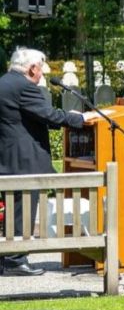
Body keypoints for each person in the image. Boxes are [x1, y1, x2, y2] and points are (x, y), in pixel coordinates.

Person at [0, 47, 94, 276]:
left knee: (14, 209)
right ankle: (14, 260)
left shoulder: (5, 82)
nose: (42, 74)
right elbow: (49, 115)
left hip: (9, 156)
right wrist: (80, 118)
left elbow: (33, 116)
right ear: (32, 68)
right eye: (40, 68)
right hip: (24, 159)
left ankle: (8, 259)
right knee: (23, 209)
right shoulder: (24, 87)